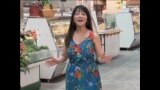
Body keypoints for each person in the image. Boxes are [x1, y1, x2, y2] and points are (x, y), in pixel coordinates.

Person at [46, 5, 112, 90]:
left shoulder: (93, 36)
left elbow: (100, 56)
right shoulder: (68, 36)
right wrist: (58, 60)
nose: (80, 16)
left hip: (90, 75)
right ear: (73, 19)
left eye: (83, 14)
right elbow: (64, 56)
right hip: (72, 76)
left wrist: (103, 58)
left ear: (87, 19)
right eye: (77, 14)